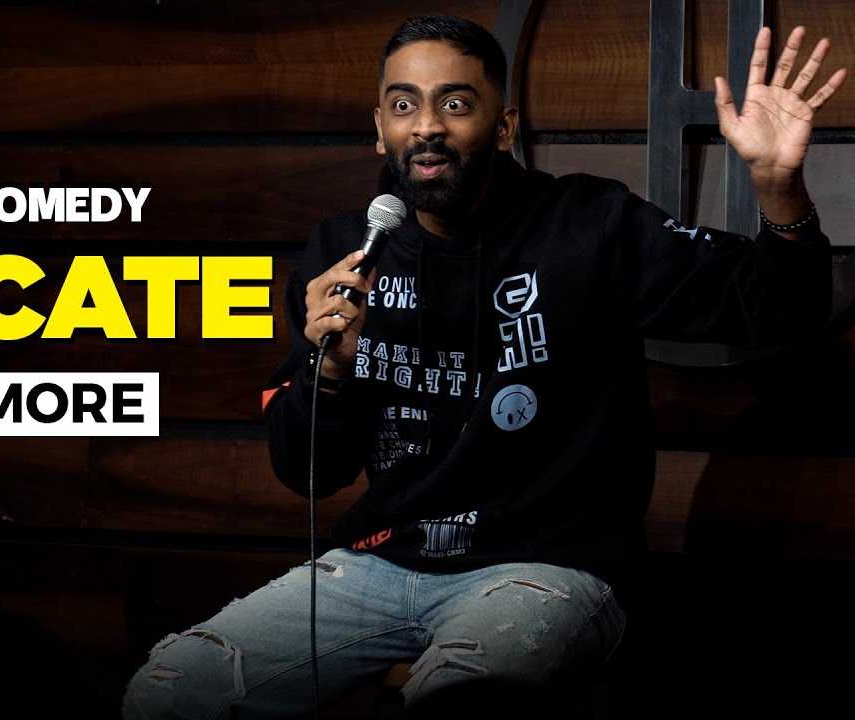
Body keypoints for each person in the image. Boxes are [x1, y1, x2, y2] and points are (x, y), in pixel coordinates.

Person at [122, 14, 844, 719]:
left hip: (547, 568)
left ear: (502, 127)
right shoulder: (347, 251)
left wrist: (777, 185)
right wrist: (330, 370)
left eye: (455, 104)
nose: (426, 127)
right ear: (379, 127)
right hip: (381, 562)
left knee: (460, 704)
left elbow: (777, 309)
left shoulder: (588, 222)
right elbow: (307, 472)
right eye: (403, 105)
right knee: (171, 688)